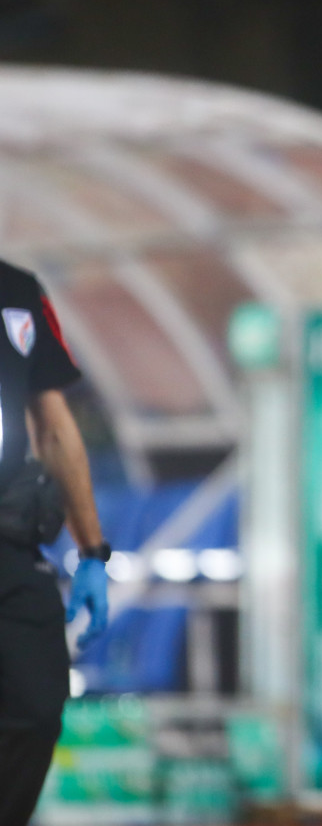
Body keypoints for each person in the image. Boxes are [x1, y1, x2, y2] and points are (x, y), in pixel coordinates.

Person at [0, 259, 110, 826]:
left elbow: (54, 425)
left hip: (9, 541)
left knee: (38, 712)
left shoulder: (18, 291)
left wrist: (93, 553)